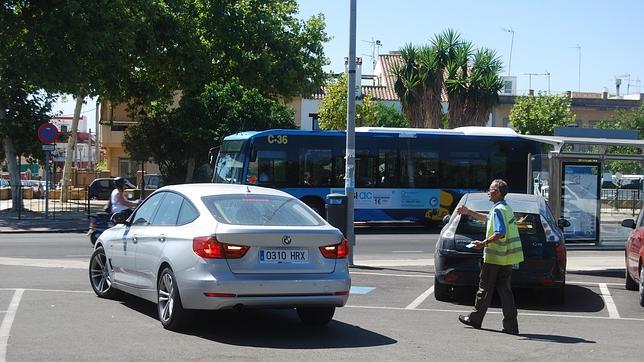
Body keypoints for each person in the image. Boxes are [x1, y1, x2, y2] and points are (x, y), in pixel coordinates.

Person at [456, 179, 524, 335]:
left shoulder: (499, 210)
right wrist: (469, 212)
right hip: (506, 259)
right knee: (505, 292)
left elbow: (500, 233)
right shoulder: (505, 208)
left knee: (484, 289)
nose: (488, 192)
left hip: (494, 259)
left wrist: (483, 243)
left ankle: (475, 319)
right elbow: (488, 219)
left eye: (491, 189)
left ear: (498, 192)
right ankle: (511, 326)